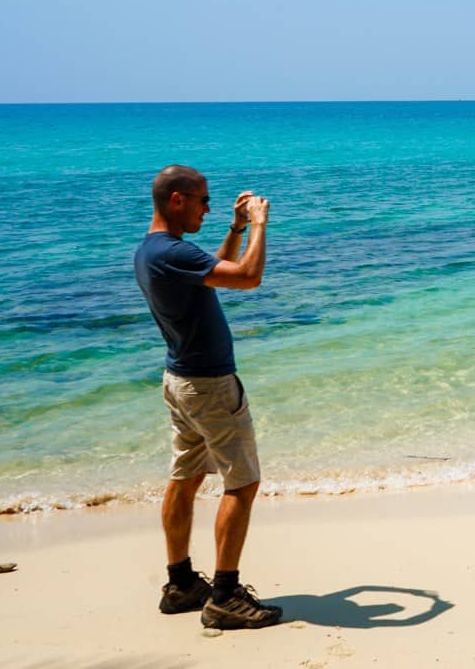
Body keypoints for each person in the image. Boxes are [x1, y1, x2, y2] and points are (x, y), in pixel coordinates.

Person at [134, 164, 282, 630]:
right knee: (242, 483)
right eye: (202, 200)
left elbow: (215, 274)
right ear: (177, 200)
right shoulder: (170, 252)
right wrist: (259, 224)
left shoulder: (155, 250)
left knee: (186, 476)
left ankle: (180, 584)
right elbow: (246, 277)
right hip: (209, 385)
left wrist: (235, 228)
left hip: (181, 380)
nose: (208, 207)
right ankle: (224, 595)